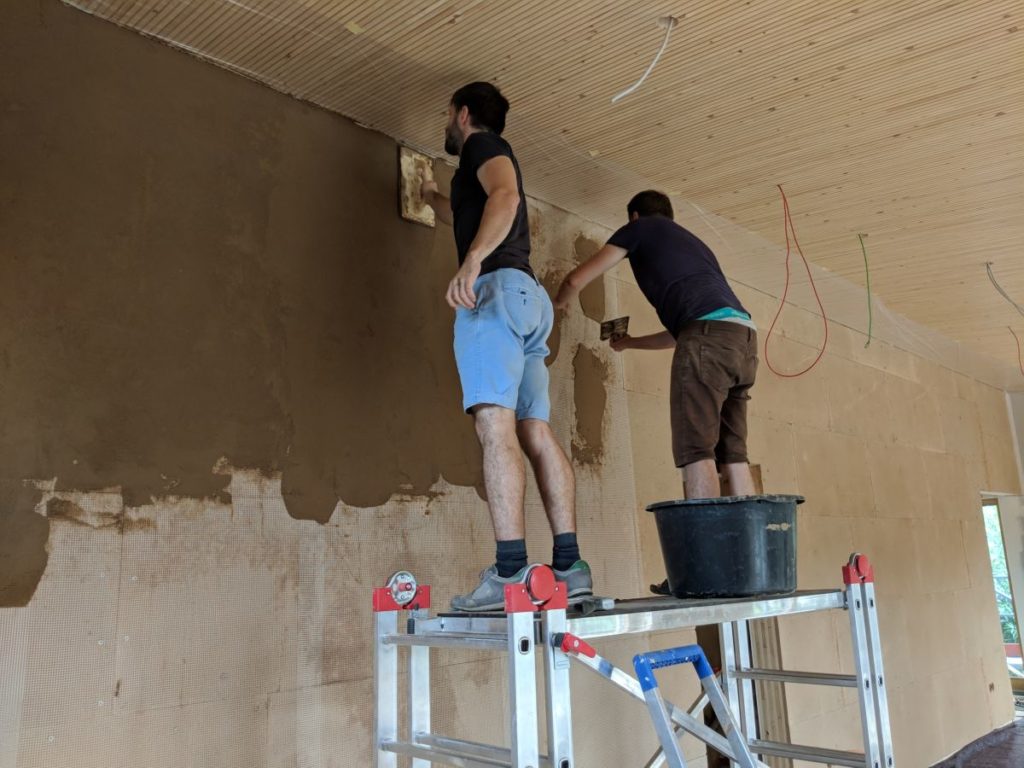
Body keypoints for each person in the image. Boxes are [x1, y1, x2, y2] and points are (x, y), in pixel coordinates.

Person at [420, 82, 591, 611]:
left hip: (494, 293)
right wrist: (430, 197)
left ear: (463, 114)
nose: (447, 123)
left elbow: (506, 197)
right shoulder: (477, 167)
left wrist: (471, 262)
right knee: (533, 429)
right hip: (527, 300)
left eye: (448, 114)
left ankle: (511, 571)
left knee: (495, 426)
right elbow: (473, 210)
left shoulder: (481, 145)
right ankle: (570, 567)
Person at [555, 190, 758, 500]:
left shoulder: (640, 227)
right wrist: (630, 343)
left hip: (708, 335)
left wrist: (559, 303)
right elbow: (686, 333)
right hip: (743, 338)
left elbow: (575, 281)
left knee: (696, 447)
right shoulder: (695, 245)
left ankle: (704, 529)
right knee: (733, 453)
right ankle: (749, 527)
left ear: (634, 216)